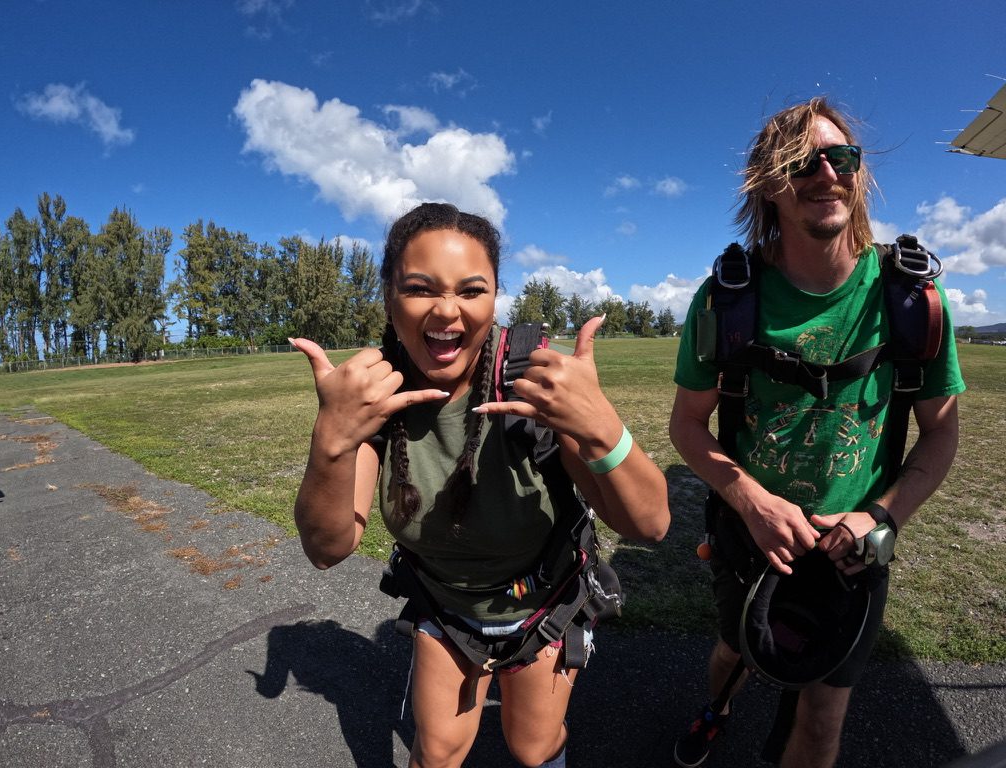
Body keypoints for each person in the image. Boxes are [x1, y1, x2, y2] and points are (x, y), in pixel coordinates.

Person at [291, 202, 670, 768]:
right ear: (389, 296)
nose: (447, 312)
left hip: (544, 605)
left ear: (494, 298)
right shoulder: (376, 395)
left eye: (471, 290)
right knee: (436, 752)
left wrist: (601, 430)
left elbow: (651, 523)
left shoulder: (532, 382)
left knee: (533, 745)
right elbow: (327, 549)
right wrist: (332, 442)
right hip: (445, 607)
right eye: (420, 288)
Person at [669, 97, 964, 768]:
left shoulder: (913, 297)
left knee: (824, 720)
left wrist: (876, 517)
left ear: (859, 175)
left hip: (852, 549)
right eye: (802, 163)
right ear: (767, 185)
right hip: (752, 537)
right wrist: (754, 503)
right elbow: (686, 425)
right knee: (734, 653)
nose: (826, 174)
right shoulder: (727, 300)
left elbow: (941, 436)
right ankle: (716, 711)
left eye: (842, 158)